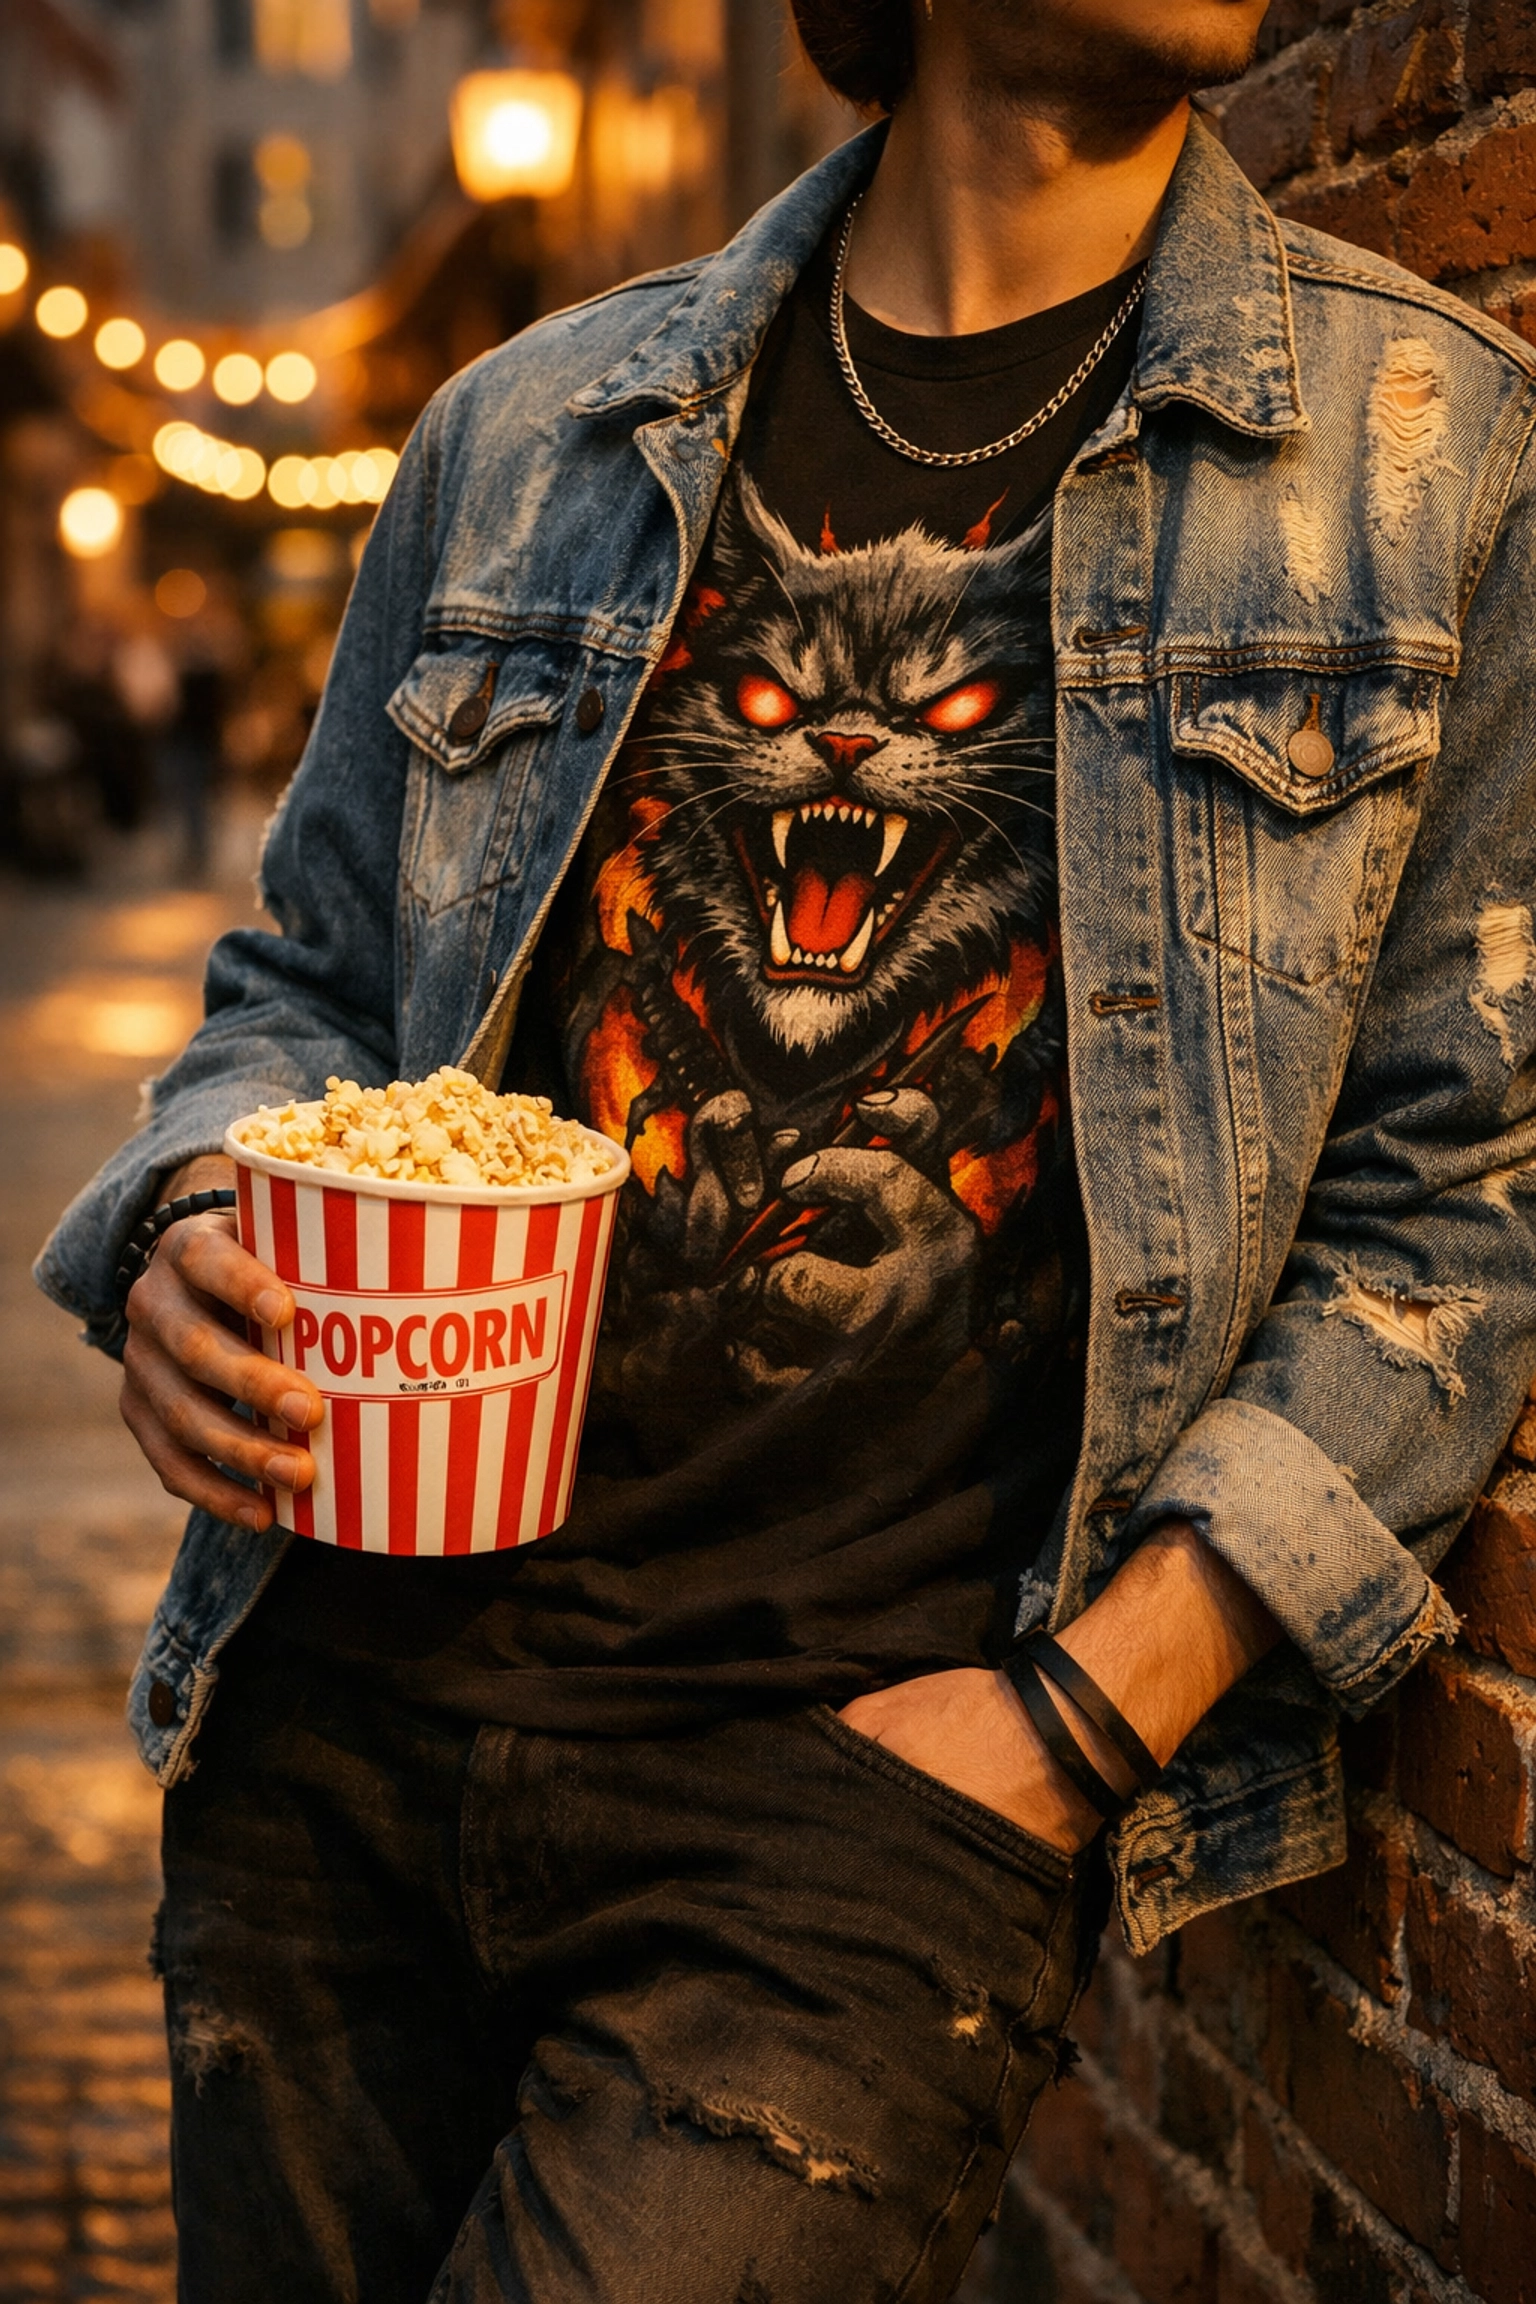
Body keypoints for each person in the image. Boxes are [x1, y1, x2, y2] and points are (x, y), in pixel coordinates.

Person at [34, 2, 1536, 2298]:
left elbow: (1459, 1209)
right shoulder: (529, 430)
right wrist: (202, 1210)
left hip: (848, 1814)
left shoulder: (1429, 459)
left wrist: (1072, 1727)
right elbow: (306, 989)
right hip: (342, 1716)